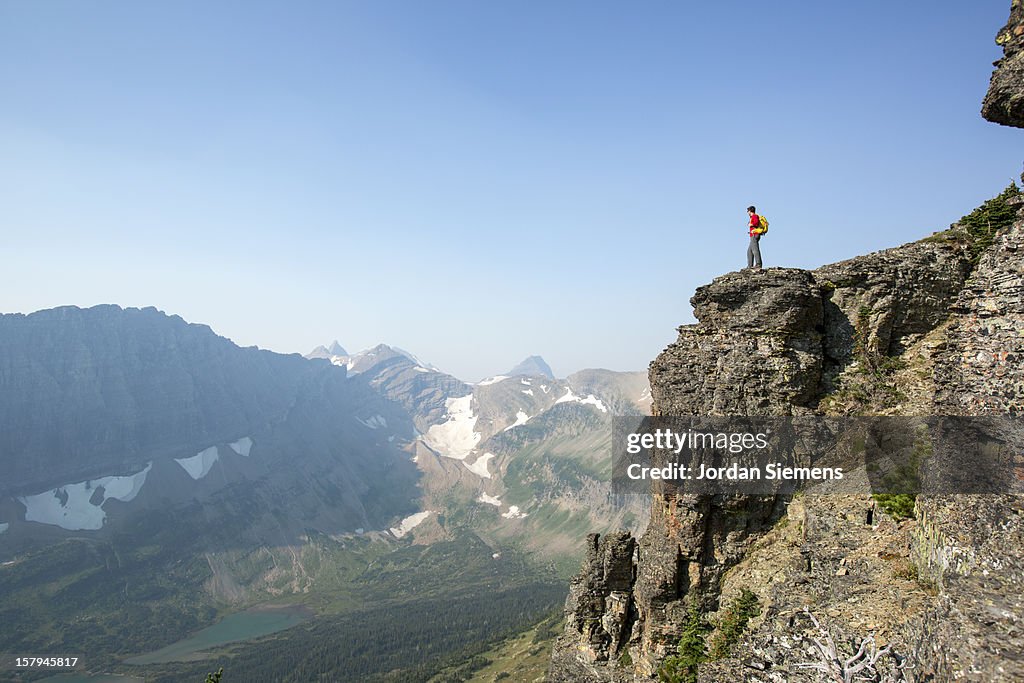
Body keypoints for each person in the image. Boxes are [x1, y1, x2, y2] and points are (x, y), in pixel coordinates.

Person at [746, 205, 763, 270]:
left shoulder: (755, 216)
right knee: (749, 251)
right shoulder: (753, 217)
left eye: (748, 211)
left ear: (750, 211)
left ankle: (758, 264)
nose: (747, 213)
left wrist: (751, 224)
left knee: (755, 250)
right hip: (753, 235)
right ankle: (750, 266)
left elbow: (756, 223)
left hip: (754, 235)